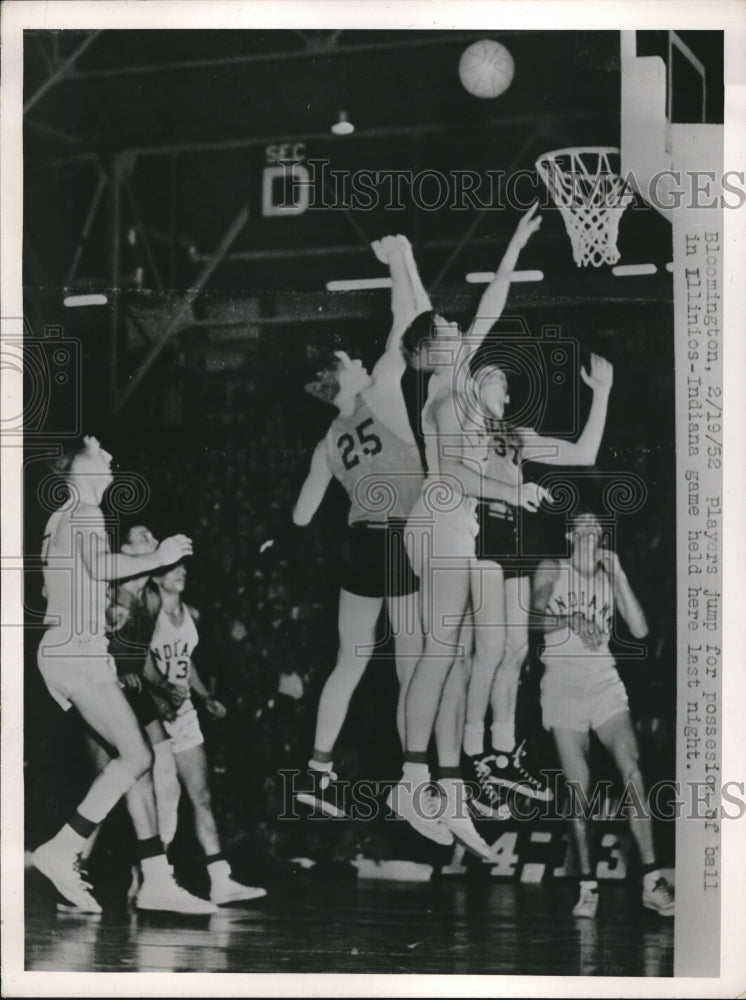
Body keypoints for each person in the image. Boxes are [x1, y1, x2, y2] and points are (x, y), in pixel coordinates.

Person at [387, 203, 546, 857]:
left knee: (445, 659)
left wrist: (515, 243)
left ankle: (447, 793)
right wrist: (516, 488)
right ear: (431, 350)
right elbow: (455, 471)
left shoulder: (453, 381)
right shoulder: (448, 396)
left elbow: (491, 303)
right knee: (439, 654)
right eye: (448, 327)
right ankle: (414, 779)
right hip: (441, 521)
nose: (461, 327)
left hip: (446, 525)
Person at [31, 436, 209, 913]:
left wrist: (96, 610)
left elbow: (56, 590)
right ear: (79, 465)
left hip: (65, 646)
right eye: (100, 451)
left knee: (131, 763)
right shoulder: (87, 512)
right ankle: (62, 849)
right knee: (137, 756)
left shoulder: (59, 517)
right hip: (78, 649)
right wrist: (160, 555)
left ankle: (152, 876)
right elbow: (100, 564)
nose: (111, 457)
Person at [291, 234, 430, 817]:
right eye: (351, 360)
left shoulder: (326, 441)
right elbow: (413, 319)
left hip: (357, 542)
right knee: (412, 664)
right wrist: (400, 260)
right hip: (400, 535)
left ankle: (317, 772)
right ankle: (415, 777)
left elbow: (300, 516)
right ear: (343, 377)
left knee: (350, 662)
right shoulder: (380, 392)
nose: (362, 359)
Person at [463, 352, 614, 811]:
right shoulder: (460, 425)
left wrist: (602, 393)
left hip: (509, 541)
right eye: (485, 376)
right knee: (485, 652)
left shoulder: (516, 435)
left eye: (499, 378)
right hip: (471, 539)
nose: (493, 381)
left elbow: (584, 454)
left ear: (505, 398)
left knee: (516, 649)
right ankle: (470, 755)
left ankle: (503, 750)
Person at [531, 508, 674, 918]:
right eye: (583, 523)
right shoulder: (552, 567)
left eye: (597, 523)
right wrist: (571, 616)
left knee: (633, 771)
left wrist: (621, 573)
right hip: (561, 688)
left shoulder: (609, 575)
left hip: (604, 685)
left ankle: (651, 881)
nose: (592, 527)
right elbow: (534, 618)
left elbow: (642, 630)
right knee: (580, 789)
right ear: (570, 534)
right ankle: (587, 886)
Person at [146, 560, 266, 904]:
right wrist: (158, 696)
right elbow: (136, 661)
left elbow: (188, 660)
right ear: (155, 576)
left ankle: (220, 879)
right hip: (153, 713)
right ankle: (155, 877)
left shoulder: (191, 613)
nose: (182, 573)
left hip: (182, 712)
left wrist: (205, 696)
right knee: (165, 799)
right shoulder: (148, 611)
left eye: (184, 568)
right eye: (172, 569)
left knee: (201, 796)